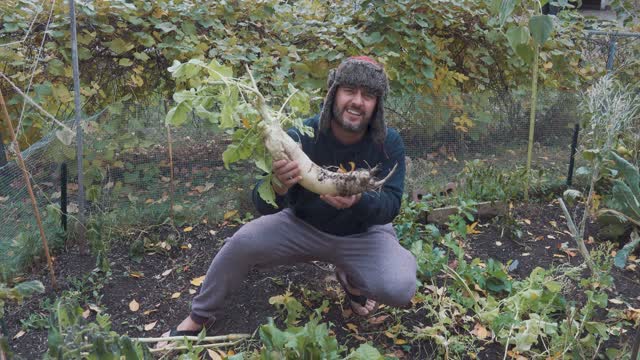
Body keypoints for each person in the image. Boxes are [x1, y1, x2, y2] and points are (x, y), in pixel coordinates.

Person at [161, 56, 417, 339]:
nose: (358, 101)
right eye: (350, 91)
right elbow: (260, 201)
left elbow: (391, 205)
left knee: (399, 286)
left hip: (362, 235)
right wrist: (278, 185)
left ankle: (353, 281)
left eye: (368, 95)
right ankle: (198, 317)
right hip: (302, 226)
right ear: (333, 94)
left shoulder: (388, 141)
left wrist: (359, 200)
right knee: (241, 243)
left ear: (376, 105)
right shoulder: (299, 135)